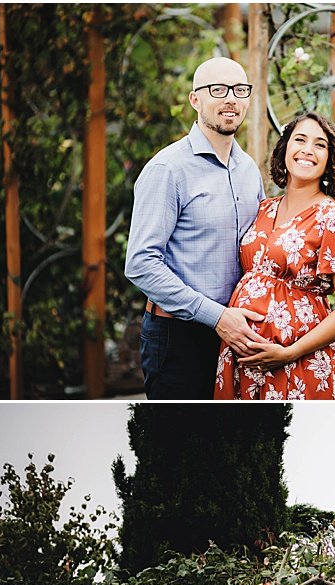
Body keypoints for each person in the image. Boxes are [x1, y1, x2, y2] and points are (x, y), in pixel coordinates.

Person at [125, 57, 270, 398]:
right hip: (179, 339)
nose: (230, 99)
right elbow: (141, 264)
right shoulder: (168, 169)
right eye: (218, 90)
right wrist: (216, 316)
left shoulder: (248, 170)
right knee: (181, 443)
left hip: (239, 335)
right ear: (195, 99)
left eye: (239, 90)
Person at [214, 111, 335, 399]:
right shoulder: (263, 209)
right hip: (244, 359)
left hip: (300, 362)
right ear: (285, 149)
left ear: (329, 159)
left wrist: (288, 353)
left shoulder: (334, 220)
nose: (308, 150)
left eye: (320, 145)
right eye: (300, 139)